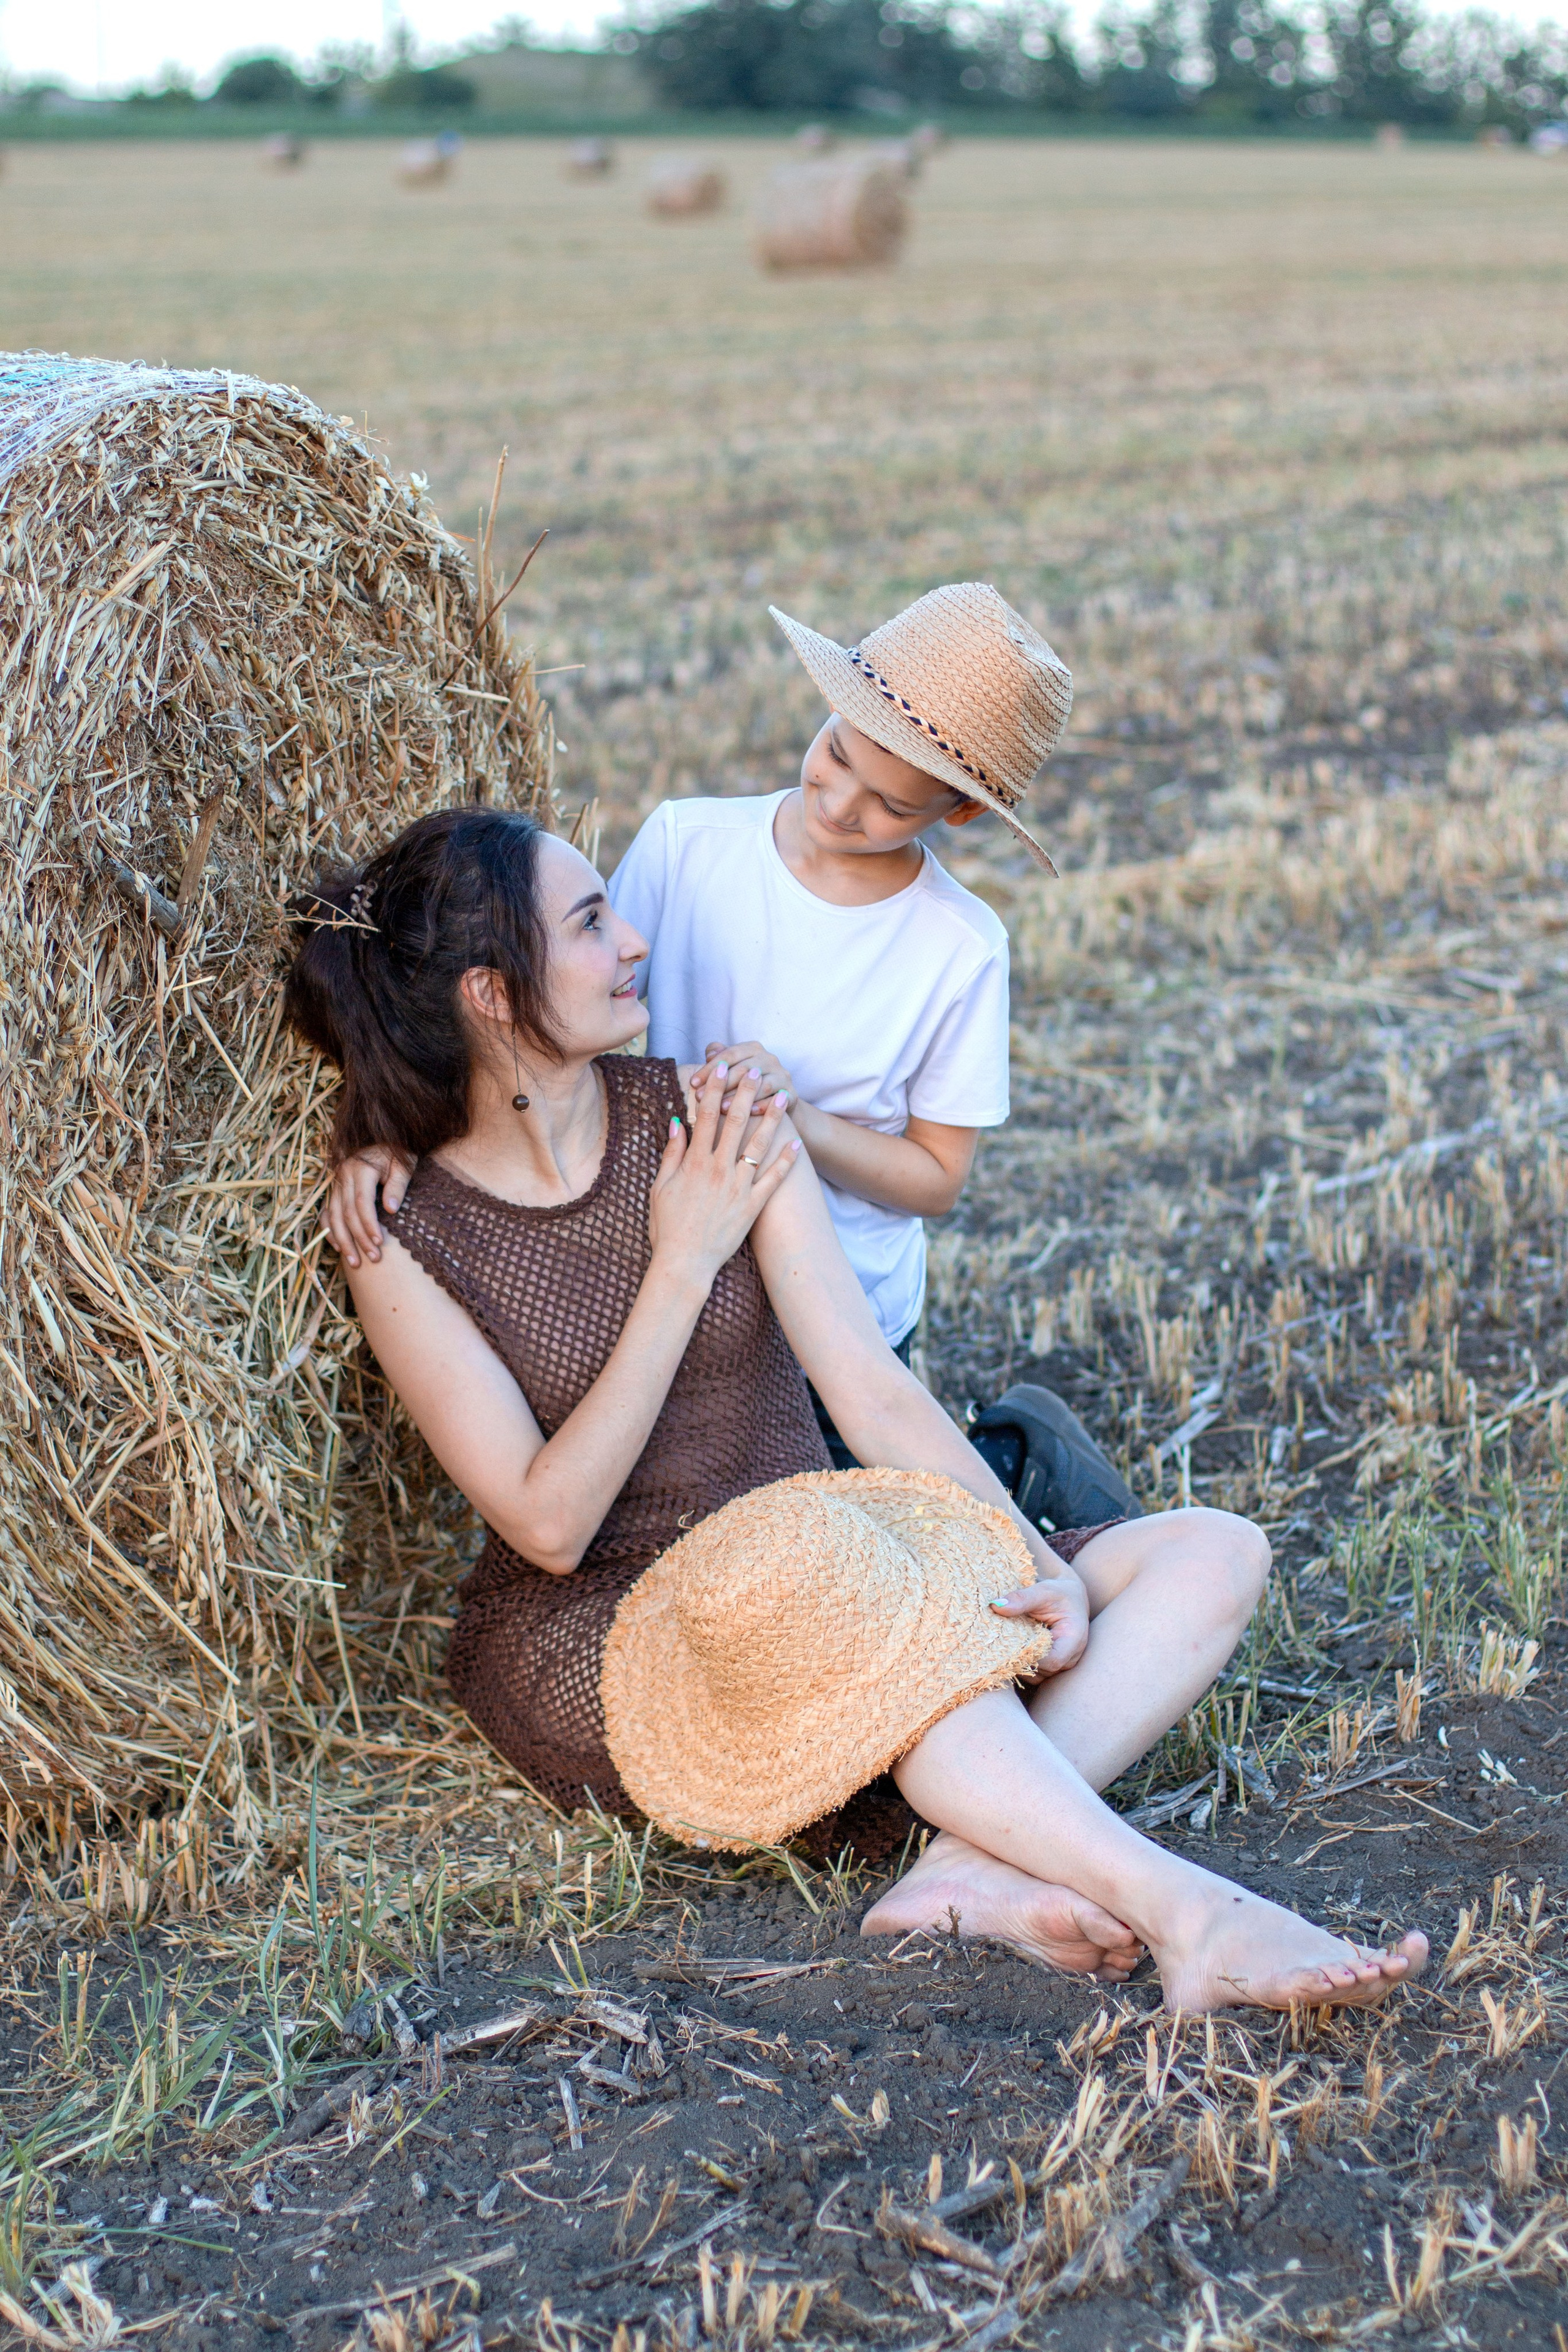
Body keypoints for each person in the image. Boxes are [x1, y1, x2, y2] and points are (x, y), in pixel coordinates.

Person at [288, 802, 1428, 2013]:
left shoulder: (710, 1110)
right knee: (834, 1573)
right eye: (588, 921)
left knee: (1209, 1553)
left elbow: (866, 1385)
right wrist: (682, 1260)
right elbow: (547, 1524)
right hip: (609, 1630)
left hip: (827, 1561)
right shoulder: (399, 1231)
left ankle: (963, 1869)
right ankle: (1191, 1913)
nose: (633, 941)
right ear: (491, 996)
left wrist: (1024, 1553)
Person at [325, 585, 1104, 1497]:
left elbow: (936, 1177)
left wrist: (785, 1119)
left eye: (889, 804)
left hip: (840, 1306)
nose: (841, 801)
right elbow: (544, 1016)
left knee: (870, 1522)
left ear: (958, 814)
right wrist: (392, 1126)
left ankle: (1018, 1462)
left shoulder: (959, 948)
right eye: (836, 752)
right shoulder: (688, 844)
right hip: (670, 1260)